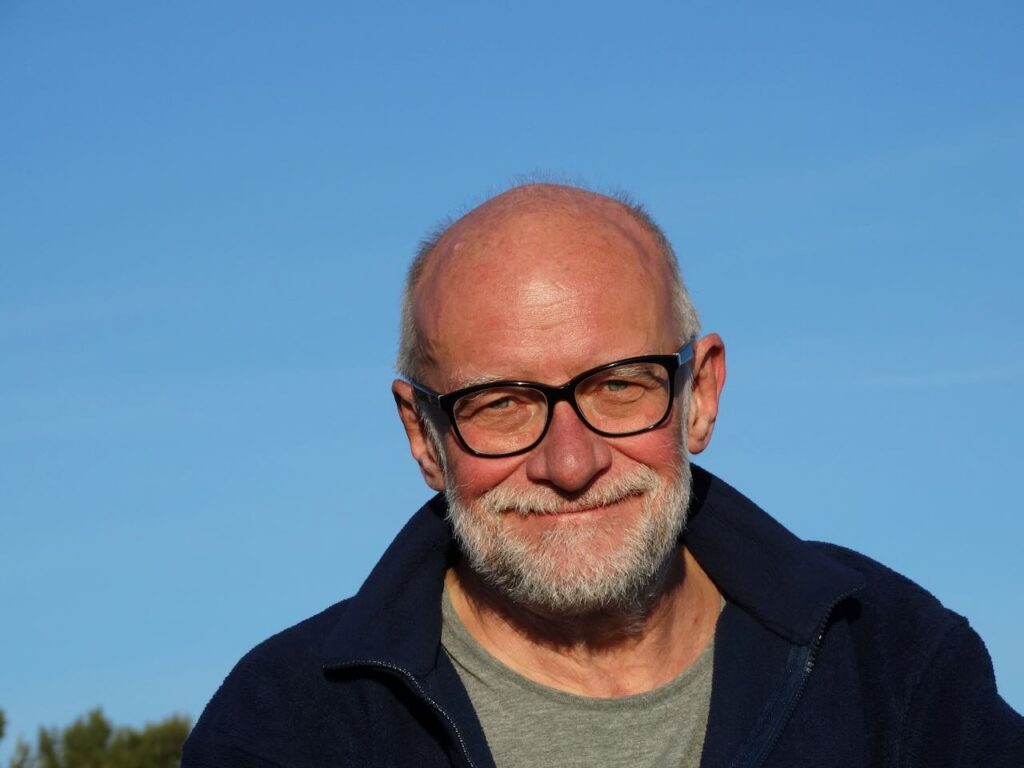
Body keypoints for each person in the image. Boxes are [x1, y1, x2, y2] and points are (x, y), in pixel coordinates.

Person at [183, 183, 1024, 767]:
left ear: (701, 394)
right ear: (424, 436)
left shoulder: (893, 664)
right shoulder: (286, 729)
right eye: (501, 404)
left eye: (618, 387)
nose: (570, 462)